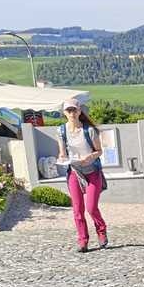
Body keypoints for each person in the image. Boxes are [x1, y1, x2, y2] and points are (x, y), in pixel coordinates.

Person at [56, 98, 108, 253]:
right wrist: (62, 158)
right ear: (64, 113)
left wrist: (90, 157)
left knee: (91, 207)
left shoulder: (89, 131)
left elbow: (99, 151)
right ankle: (83, 241)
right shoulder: (61, 131)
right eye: (68, 110)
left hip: (92, 171)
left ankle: (101, 232)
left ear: (79, 111)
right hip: (74, 171)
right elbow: (62, 153)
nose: (71, 113)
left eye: (74, 110)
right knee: (77, 209)